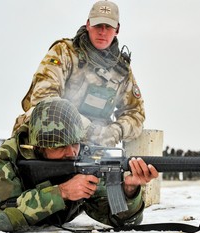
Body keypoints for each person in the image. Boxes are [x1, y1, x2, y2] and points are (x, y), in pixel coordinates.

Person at [0, 97, 158, 232]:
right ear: (40, 147)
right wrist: (62, 192)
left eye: (75, 143)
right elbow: (1, 218)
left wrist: (128, 191)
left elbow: (124, 222)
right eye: (61, 146)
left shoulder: (83, 160)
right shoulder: (6, 160)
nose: (71, 152)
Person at [12, 1, 145, 149]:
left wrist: (116, 131)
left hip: (92, 151)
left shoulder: (122, 71)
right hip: (49, 143)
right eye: (97, 25)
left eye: (108, 26)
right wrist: (89, 129)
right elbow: (44, 100)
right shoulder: (64, 52)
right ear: (88, 25)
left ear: (117, 29)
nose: (102, 32)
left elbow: (135, 113)